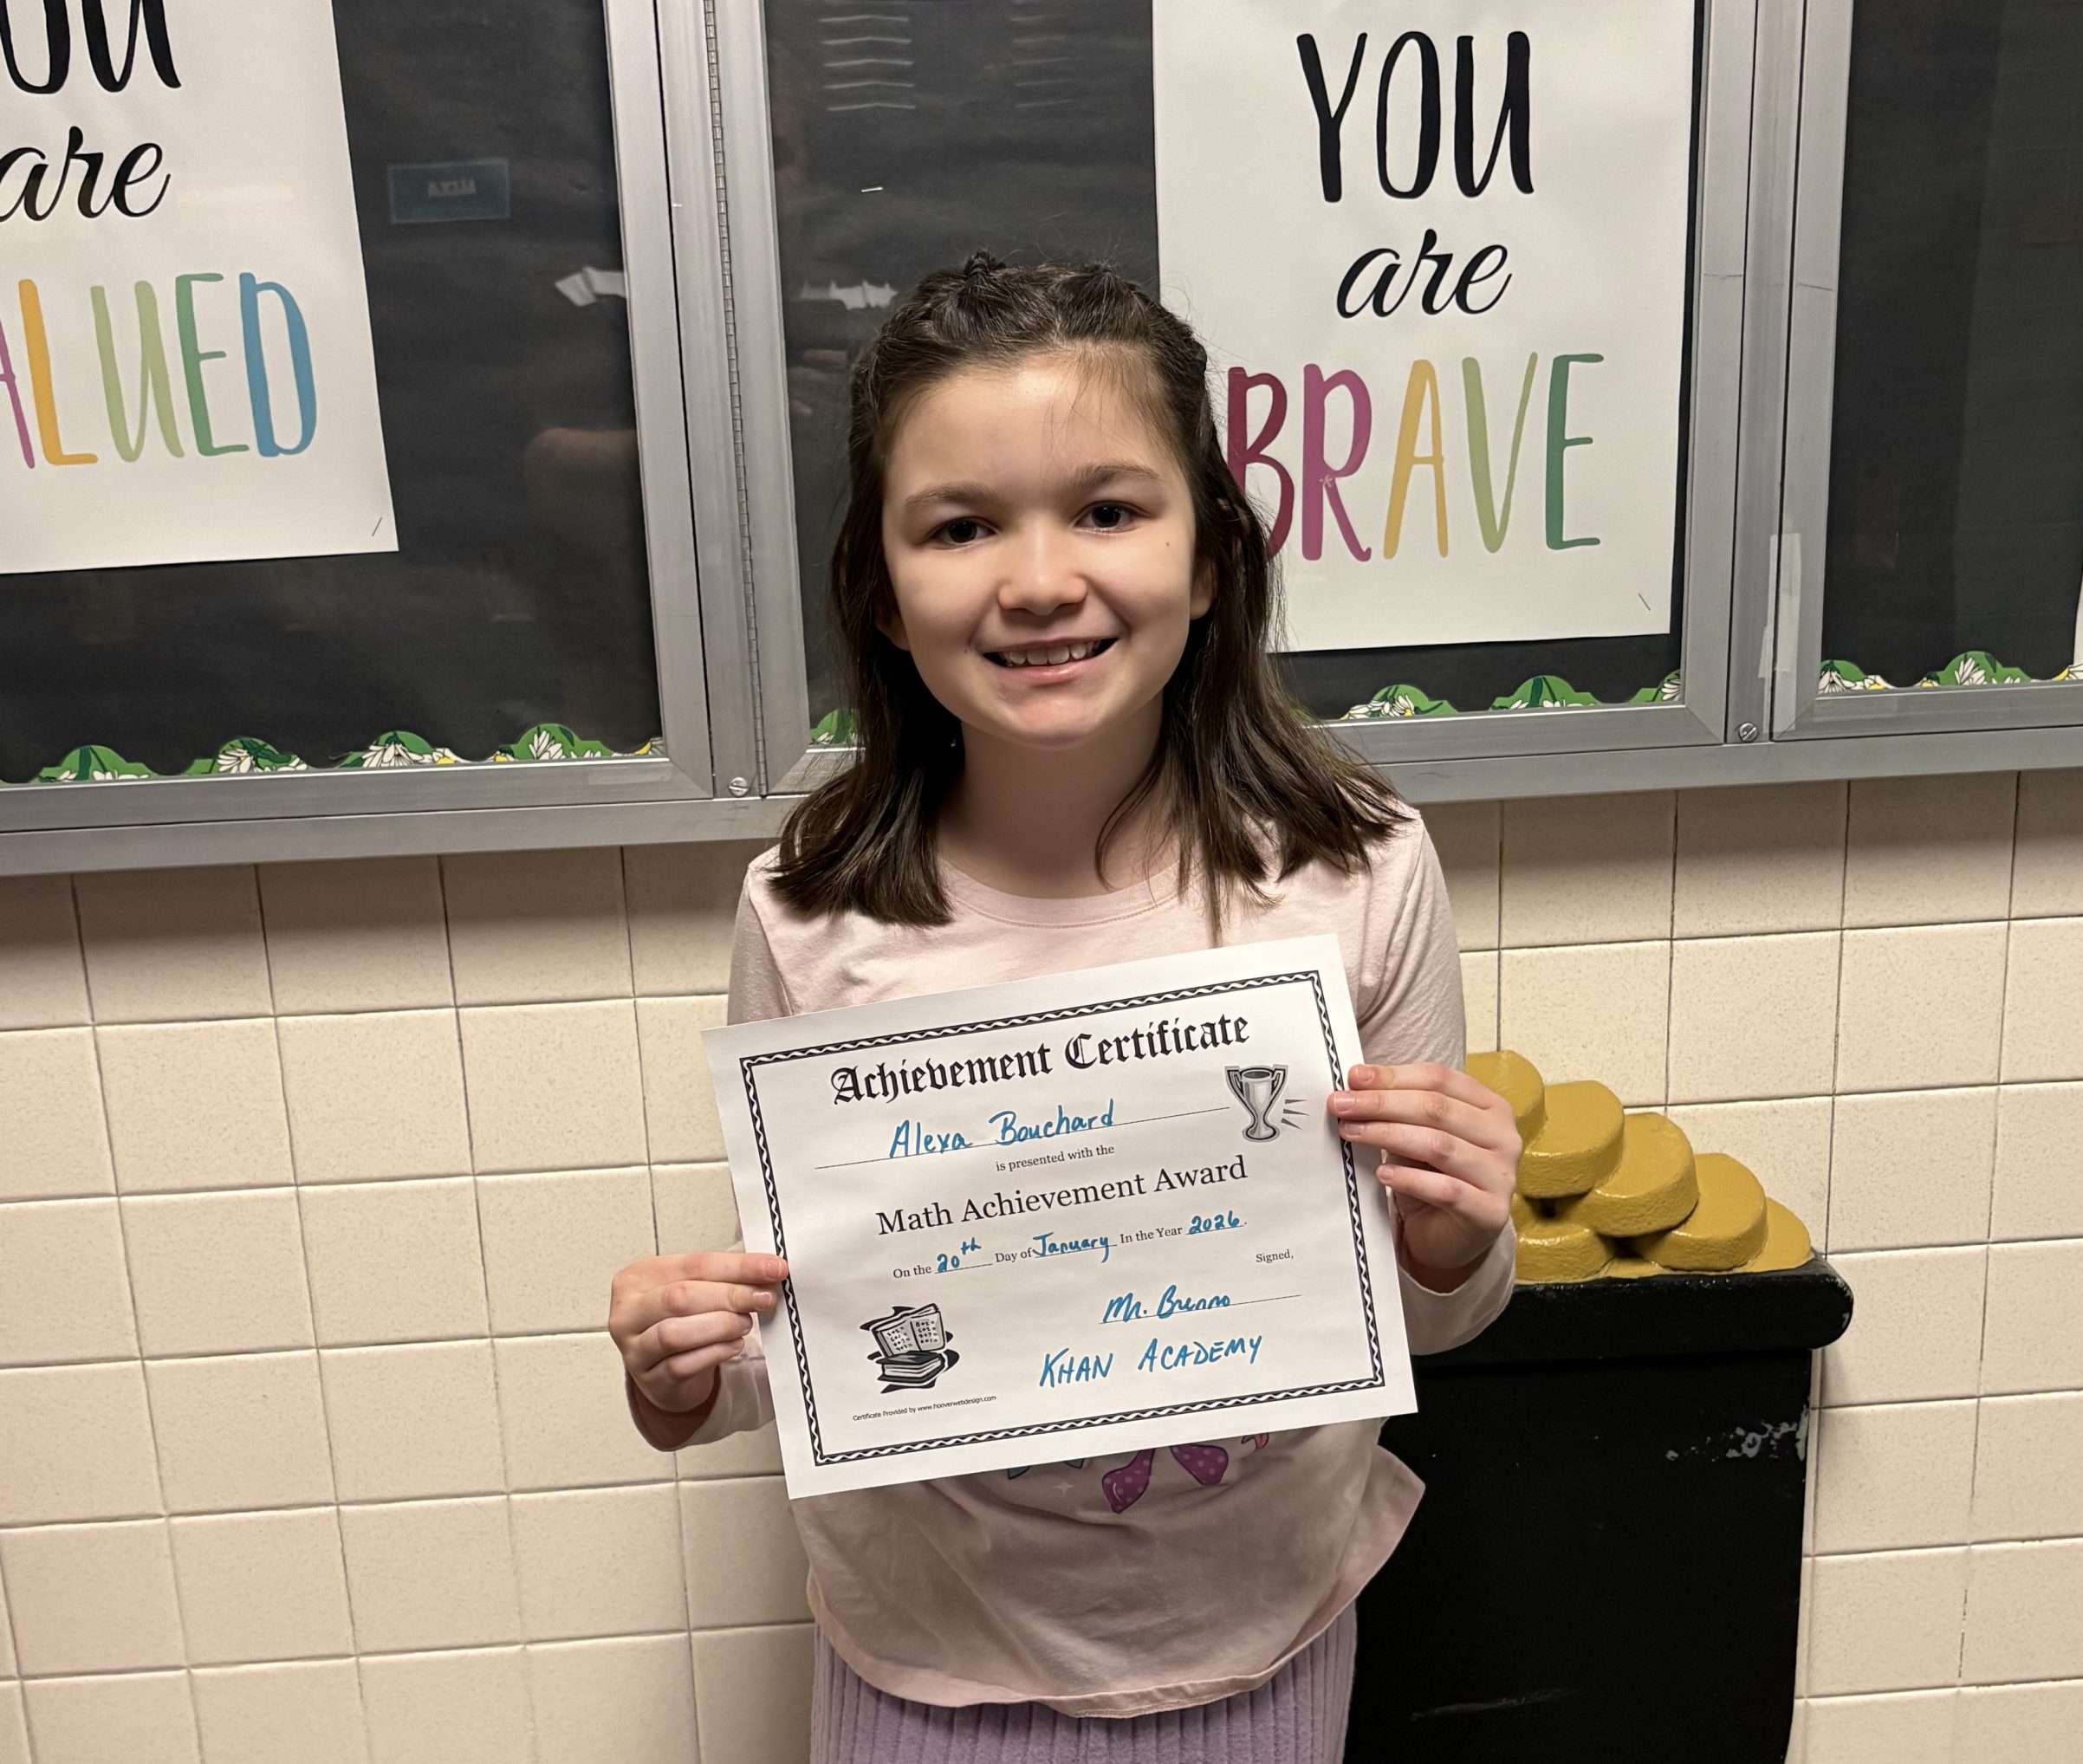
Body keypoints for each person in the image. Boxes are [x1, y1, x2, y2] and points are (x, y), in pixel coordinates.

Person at [607, 254, 1520, 1761]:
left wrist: (1458, 1233)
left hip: (1267, 1634)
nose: (1039, 580)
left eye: (1108, 509)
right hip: (925, 1659)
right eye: (961, 527)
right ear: (884, 592)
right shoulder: (815, 907)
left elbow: (1438, 1316)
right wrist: (678, 1376)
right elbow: (809, 1339)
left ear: (1212, 554)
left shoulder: (1355, 870)